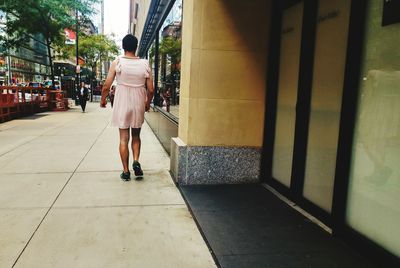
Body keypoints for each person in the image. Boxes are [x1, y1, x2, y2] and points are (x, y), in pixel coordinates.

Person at [100, 34, 154, 181]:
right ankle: (136, 161)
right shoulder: (145, 64)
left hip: (122, 102)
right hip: (138, 103)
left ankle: (126, 171)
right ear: (136, 47)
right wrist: (147, 103)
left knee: (124, 139)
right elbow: (151, 89)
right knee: (136, 136)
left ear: (123, 47)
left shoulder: (117, 62)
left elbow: (106, 85)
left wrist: (103, 100)